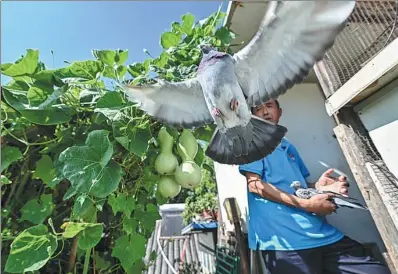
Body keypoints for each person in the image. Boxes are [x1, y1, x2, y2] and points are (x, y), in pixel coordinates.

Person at [238, 99, 391, 274]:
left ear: (280, 112)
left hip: (321, 233)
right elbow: (255, 186)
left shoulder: (287, 146)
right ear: (252, 117)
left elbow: (301, 186)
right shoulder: (251, 143)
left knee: (375, 271)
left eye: (269, 106)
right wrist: (308, 205)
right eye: (258, 109)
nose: (265, 112)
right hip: (285, 242)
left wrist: (323, 188)